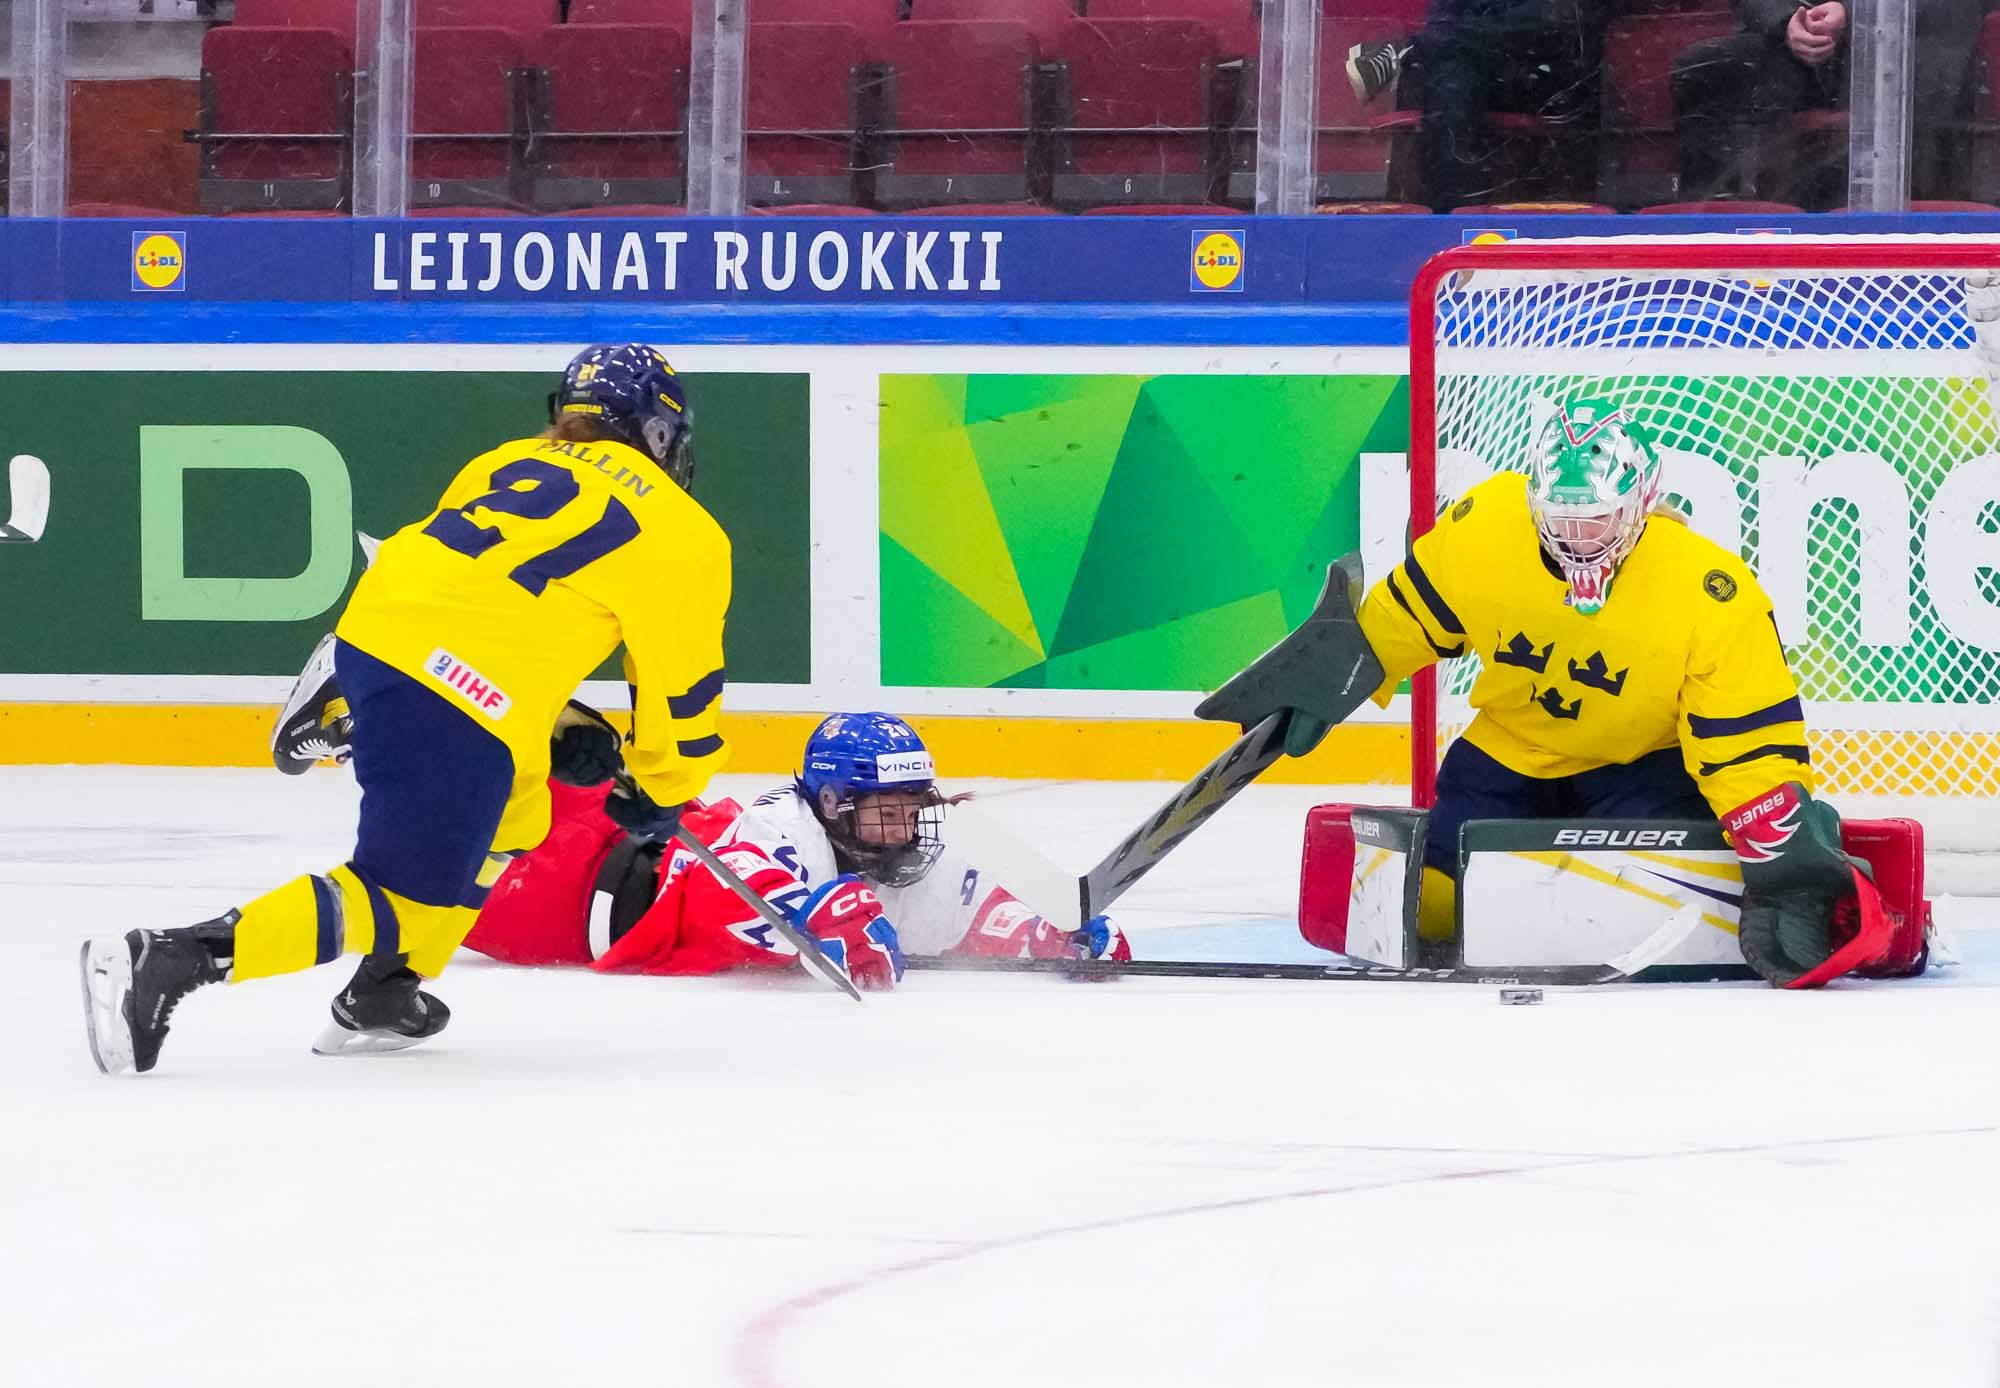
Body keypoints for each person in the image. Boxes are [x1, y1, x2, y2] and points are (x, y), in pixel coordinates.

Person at [80, 344, 732, 1074]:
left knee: (518, 817)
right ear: (660, 432)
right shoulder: (685, 532)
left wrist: (557, 723)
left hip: (377, 635)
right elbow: (681, 695)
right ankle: (173, 957)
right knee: (396, 897)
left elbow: (482, 605)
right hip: (455, 691)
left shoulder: (506, 461)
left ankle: (386, 992)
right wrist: (661, 787)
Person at [1221, 396, 1898, 989]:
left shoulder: (1710, 593)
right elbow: (1407, 618)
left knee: (1637, 899)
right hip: (1509, 753)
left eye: (1595, 519)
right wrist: (1336, 666)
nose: (1577, 537)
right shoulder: (1485, 529)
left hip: (1642, 765)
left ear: (1641, 503)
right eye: (1561, 517)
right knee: (1434, 904)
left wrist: (1780, 851)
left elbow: (1746, 746)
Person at [274, 704, 1130, 983]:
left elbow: (973, 917)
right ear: (832, 805)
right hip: (560, 894)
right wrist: (820, 922)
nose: (904, 826)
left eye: (913, 807)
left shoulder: (897, 858)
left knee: (491, 788)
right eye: (885, 809)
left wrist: (1055, 935)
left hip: (588, 885)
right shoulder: (782, 826)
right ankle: (355, 712)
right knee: (480, 773)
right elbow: (757, 900)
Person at [1671, 0, 1981, 206]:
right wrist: (1787, 21)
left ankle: (1920, 212)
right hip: (1790, 47)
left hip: (1905, 47)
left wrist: (1852, 12)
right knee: (1703, 68)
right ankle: (1708, 217)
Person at [1344, 0, 1614, 212]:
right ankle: (1447, 219)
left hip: (1549, 75)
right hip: (1481, 66)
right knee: (1448, 84)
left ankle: (1403, 53)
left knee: (1545, 16)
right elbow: (1442, 17)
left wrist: (1445, 37)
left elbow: (1561, 19)